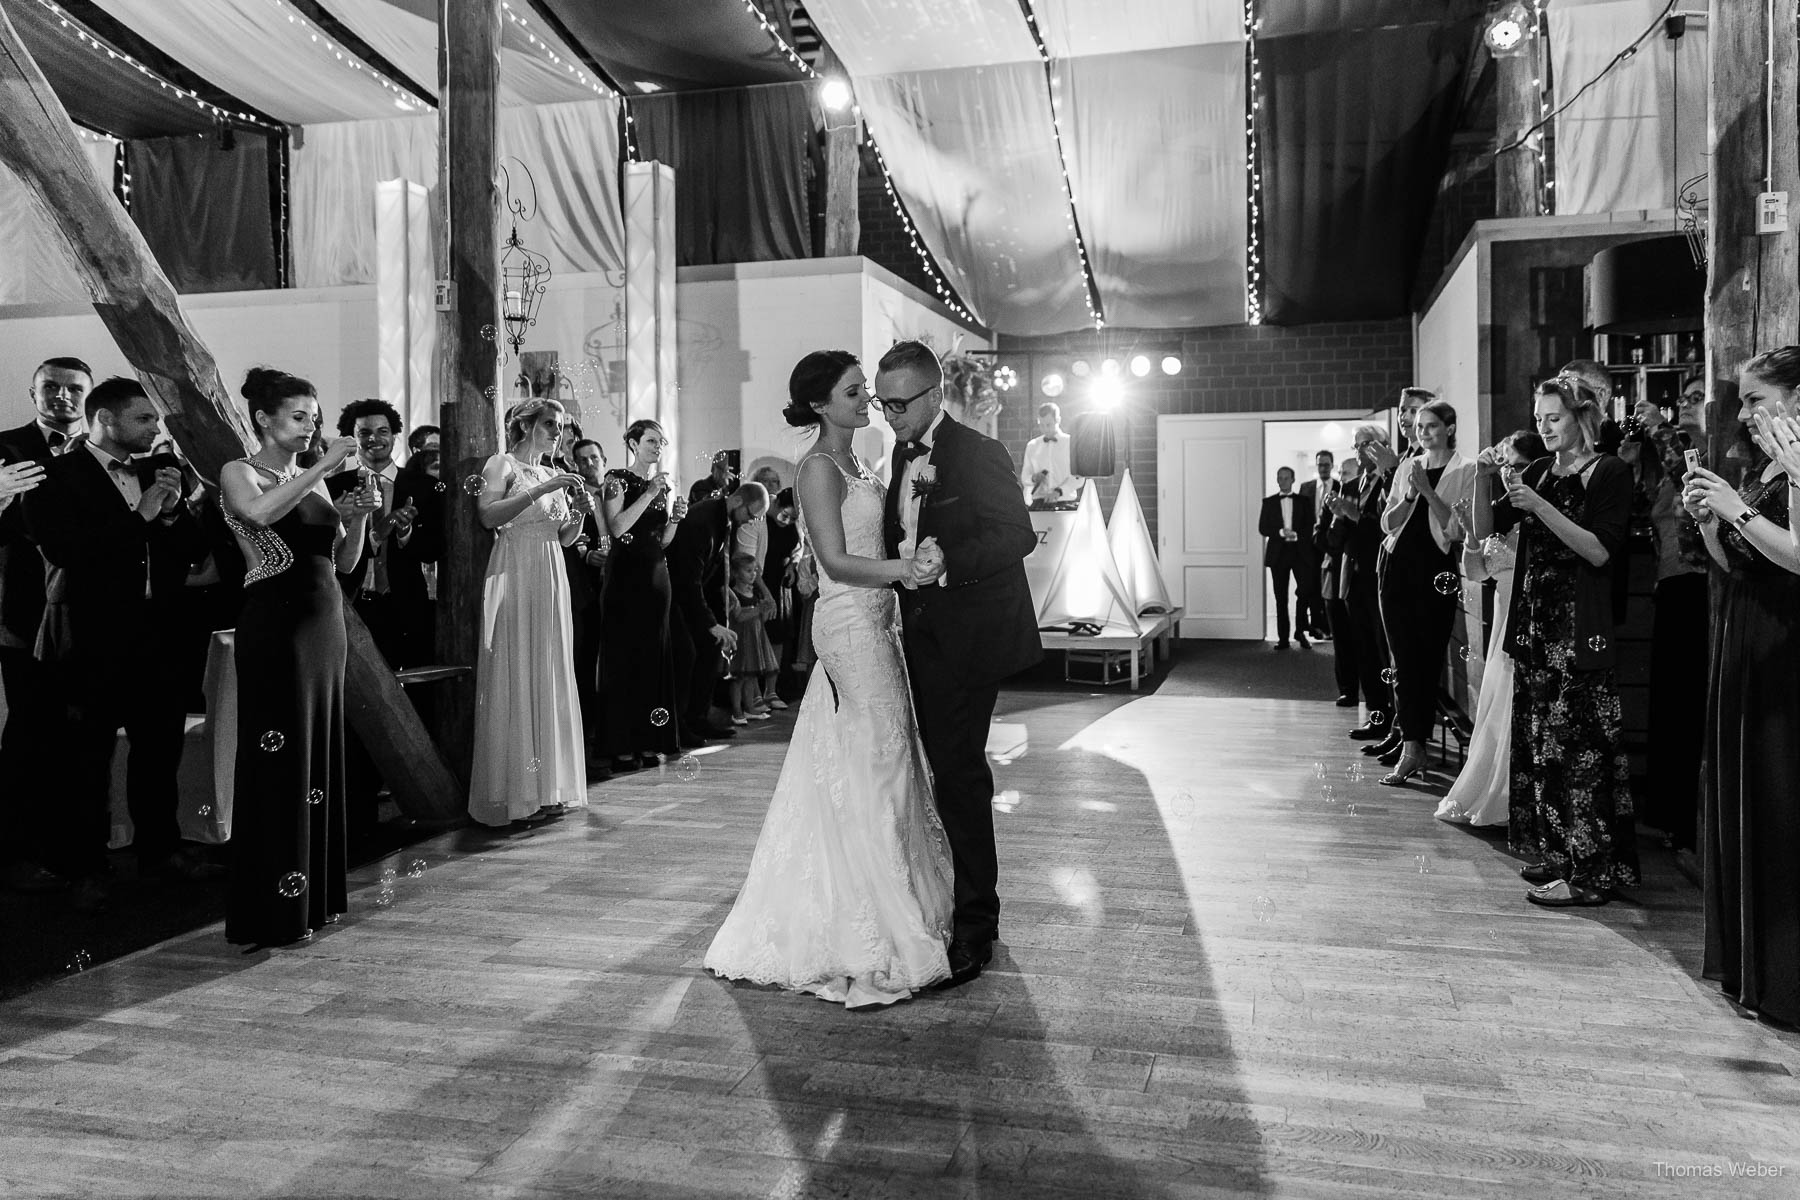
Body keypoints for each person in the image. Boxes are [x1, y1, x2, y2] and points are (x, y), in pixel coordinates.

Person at [705, 349, 954, 1007]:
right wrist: (903, 571)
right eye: (852, 390)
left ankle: (891, 892)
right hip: (849, 625)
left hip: (880, 620)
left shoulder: (860, 459)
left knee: (884, 756)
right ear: (819, 403)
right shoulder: (817, 467)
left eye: (863, 388)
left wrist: (912, 558)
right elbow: (839, 562)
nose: (865, 397)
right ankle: (872, 924)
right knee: (880, 759)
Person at [880, 339, 1041, 985]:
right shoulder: (899, 452)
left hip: (970, 639)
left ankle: (978, 923)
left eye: (899, 404)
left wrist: (950, 562)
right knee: (941, 770)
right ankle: (946, 899)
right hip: (916, 637)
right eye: (884, 403)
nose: (889, 416)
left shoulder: (979, 453)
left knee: (960, 775)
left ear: (932, 394)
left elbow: (1016, 533)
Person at [25, 376, 215, 905]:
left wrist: (175, 513)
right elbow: (67, 551)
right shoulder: (54, 475)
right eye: (145, 419)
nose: (156, 429)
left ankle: (161, 848)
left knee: (159, 748)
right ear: (106, 419)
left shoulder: (159, 470)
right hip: (90, 637)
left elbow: (194, 552)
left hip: (160, 634)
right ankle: (86, 864)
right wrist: (142, 517)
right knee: (86, 755)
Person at [218, 367, 377, 946]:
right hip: (276, 622)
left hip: (324, 622)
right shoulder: (241, 471)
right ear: (263, 418)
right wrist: (324, 466)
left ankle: (315, 899)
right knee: (278, 757)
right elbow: (258, 517)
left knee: (317, 754)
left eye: (314, 417)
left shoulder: (309, 480)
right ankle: (269, 910)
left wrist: (356, 515)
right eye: (299, 417)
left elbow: (344, 563)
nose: (311, 427)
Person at [1490, 374, 1637, 907]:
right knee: (1542, 750)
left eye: (1554, 417)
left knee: (1582, 754)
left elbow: (1600, 552)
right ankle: (1561, 853)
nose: (1543, 426)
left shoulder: (1610, 471)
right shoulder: (1536, 471)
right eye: (1538, 418)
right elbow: (1494, 521)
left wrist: (1540, 507)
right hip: (1535, 630)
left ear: (1582, 418)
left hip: (1579, 632)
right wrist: (1493, 486)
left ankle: (1592, 874)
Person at [1685, 348, 1800, 1025]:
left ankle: (1783, 977)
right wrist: (1712, 520)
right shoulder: (1769, 469)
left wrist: (1736, 508)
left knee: (1781, 799)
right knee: (1747, 793)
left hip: (1786, 647)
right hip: (1746, 634)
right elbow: (1744, 566)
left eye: (1757, 399)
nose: (1746, 412)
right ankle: (1751, 965)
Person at [467, 398, 591, 828]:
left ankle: (548, 788)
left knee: (550, 669)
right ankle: (516, 792)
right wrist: (538, 490)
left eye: (561, 426)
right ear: (525, 425)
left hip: (552, 568)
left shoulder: (550, 471)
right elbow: (487, 515)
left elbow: (564, 536)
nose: (558, 432)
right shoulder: (502, 465)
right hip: (516, 566)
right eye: (550, 424)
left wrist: (576, 516)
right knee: (518, 666)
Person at [0, 356, 87, 893]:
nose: (61, 397)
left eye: (73, 388)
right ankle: (17, 851)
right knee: (29, 731)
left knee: (80, 735)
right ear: (33, 394)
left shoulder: (111, 453)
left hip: (94, 614)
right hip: (24, 614)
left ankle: (75, 848)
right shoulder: (4, 448)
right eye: (50, 388)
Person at [1435, 431, 1545, 825]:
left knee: (1514, 704)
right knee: (1496, 705)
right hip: (1502, 619)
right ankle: (1494, 792)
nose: (1510, 474)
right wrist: (1470, 534)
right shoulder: (1500, 513)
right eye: (1506, 466)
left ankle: (1517, 801)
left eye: (1518, 466)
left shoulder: (1539, 511)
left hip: (1529, 617)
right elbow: (1479, 572)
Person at [1374, 399, 1474, 786]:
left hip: (1435, 569)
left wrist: (1428, 492)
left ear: (1449, 427)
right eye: (1419, 426)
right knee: (1401, 662)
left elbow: (1458, 531)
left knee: (1427, 659)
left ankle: (1417, 746)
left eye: (1431, 425)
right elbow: (1387, 523)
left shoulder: (1464, 470)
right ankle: (1411, 747)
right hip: (1397, 569)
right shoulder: (1407, 466)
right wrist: (1411, 493)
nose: (1423, 432)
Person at [599, 419, 689, 767]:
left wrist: (675, 519)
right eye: (651, 440)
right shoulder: (616, 479)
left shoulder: (659, 487)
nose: (658, 447)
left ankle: (649, 740)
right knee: (625, 657)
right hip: (625, 578)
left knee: (654, 658)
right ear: (633, 443)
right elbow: (618, 527)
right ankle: (622, 743)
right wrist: (650, 492)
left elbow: (661, 541)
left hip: (656, 576)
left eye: (661, 442)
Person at [668, 484, 767, 735]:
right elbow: (688, 578)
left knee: (710, 651)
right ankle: (681, 725)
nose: (751, 521)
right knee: (687, 655)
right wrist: (711, 623)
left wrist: (720, 614)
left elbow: (713, 573)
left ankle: (699, 718)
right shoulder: (703, 520)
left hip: (697, 595)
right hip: (678, 597)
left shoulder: (724, 519)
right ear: (737, 501)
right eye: (751, 514)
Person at [324, 399, 411, 665]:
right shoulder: (331, 487)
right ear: (352, 439)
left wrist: (404, 531)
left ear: (395, 435)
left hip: (404, 602)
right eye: (364, 433)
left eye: (382, 431)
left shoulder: (421, 485)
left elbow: (435, 547)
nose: (374, 439)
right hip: (351, 600)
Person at [1330, 424, 1397, 741]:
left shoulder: (1390, 482)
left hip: (1379, 574)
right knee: (1364, 650)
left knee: (1384, 651)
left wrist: (1355, 517)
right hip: (1353, 574)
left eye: (1365, 444)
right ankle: (1376, 715)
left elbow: (1387, 530)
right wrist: (1339, 516)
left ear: (1382, 446)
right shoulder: (1352, 485)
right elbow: (1335, 539)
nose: (1358, 451)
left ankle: (1395, 722)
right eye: (1355, 446)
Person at [565, 438, 610, 758]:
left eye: (594, 457)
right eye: (582, 460)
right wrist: (587, 554)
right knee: (586, 661)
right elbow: (571, 538)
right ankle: (589, 736)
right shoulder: (575, 494)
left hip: (619, 587)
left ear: (604, 459)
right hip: (588, 589)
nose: (589, 464)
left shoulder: (615, 489)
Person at [1257, 467, 1315, 649]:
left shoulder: (1304, 501)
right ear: (1277, 480)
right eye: (1280, 478)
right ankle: (1283, 638)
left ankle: (1300, 632)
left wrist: (1297, 535)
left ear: (1293, 479)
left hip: (1300, 553)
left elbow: (1310, 524)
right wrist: (1281, 532)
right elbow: (1263, 528)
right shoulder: (1269, 502)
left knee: (1304, 593)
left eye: (1286, 478)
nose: (1283, 481)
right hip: (1278, 555)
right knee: (1280, 597)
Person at [726, 552, 779, 723]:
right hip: (740, 641)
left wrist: (764, 610)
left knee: (750, 677)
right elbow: (739, 616)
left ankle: (749, 707)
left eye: (755, 570)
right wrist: (759, 609)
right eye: (748, 571)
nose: (753, 574)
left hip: (754, 640)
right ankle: (736, 710)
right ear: (735, 573)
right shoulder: (733, 594)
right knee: (738, 677)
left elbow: (758, 619)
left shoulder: (753, 593)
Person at [1298, 450, 1335, 638]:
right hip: (1309, 546)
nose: (1322, 468)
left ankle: (1330, 627)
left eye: (1326, 464)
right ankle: (1317, 627)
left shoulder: (1341, 486)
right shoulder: (1306, 487)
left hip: (1330, 546)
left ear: (1332, 466)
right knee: (1311, 586)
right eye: (1319, 464)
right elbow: (1300, 518)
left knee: (1328, 586)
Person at [1019, 402, 1083, 505]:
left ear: (1058, 420)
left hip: (1064, 500)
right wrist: (1034, 478)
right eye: (1041, 425)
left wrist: (1059, 491)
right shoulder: (1032, 445)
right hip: (1038, 501)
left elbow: (1079, 477)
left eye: (1048, 425)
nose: (1045, 429)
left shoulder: (1071, 443)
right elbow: (1025, 476)